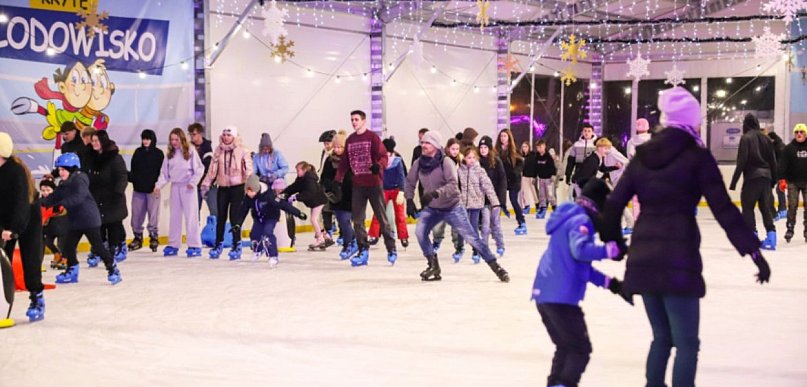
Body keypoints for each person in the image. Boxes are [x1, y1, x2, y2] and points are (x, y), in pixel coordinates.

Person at [600, 86, 771, 387]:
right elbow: (723, 209)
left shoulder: (642, 156)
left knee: (662, 339)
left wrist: (617, 247)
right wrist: (753, 251)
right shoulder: (697, 156)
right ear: (691, 121)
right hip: (678, 259)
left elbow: (613, 205)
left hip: (643, 260)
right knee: (687, 343)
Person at [532, 178, 630, 387]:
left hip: (546, 294)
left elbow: (580, 267)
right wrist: (609, 251)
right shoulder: (581, 221)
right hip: (560, 297)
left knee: (565, 347)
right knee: (579, 350)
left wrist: (611, 284)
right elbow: (580, 251)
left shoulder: (569, 217)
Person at [404, 130, 509, 282]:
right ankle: (433, 265)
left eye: (427, 143)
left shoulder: (445, 162)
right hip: (433, 208)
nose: (423, 145)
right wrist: (409, 200)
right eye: (422, 143)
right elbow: (409, 181)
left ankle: (496, 266)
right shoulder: (419, 163)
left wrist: (435, 193)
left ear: (435, 145)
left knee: (472, 237)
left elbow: (453, 185)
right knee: (420, 232)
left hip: (452, 207)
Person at [45, 153, 122, 285]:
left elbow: (78, 197)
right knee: (68, 247)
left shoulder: (80, 179)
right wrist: (37, 203)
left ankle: (112, 268)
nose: (61, 172)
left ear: (72, 168)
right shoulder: (64, 183)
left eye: (63, 169)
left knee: (98, 246)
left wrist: (62, 205)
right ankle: (72, 270)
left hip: (89, 219)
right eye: (59, 170)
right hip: (75, 221)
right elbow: (53, 197)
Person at [334, 110, 397, 266]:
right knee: (358, 220)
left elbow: (383, 156)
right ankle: (363, 250)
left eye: (356, 119)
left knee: (382, 218)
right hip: (358, 185)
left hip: (374, 184)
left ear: (363, 121)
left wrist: (378, 166)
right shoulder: (350, 140)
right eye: (352, 120)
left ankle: (391, 248)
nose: (354, 122)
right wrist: (337, 180)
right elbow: (344, 163)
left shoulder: (372, 138)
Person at [0, 132, 46, 321]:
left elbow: (21, 204)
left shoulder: (15, 171)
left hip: (27, 220)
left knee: (30, 260)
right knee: (3, 263)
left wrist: (14, 230)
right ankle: (3, 301)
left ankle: (37, 298)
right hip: (6, 222)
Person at [201, 126, 253, 260]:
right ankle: (218, 244)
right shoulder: (218, 151)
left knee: (235, 218)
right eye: (224, 134)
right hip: (222, 188)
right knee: (220, 217)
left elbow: (248, 170)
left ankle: (237, 244)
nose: (226, 137)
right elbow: (212, 170)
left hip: (238, 188)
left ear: (234, 137)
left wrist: (251, 186)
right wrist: (206, 183)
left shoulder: (243, 151)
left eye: (229, 135)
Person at [729, 113, 778, 250]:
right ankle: (772, 237)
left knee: (748, 208)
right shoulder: (766, 138)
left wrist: (734, 182)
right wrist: (773, 180)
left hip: (752, 178)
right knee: (765, 208)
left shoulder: (746, 138)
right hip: (766, 178)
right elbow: (773, 162)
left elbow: (742, 162)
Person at [154, 128, 205, 257]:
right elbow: (164, 173)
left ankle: (194, 244)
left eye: (176, 139)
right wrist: (158, 186)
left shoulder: (190, 151)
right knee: (175, 216)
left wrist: (193, 182)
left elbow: (199, 168)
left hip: (188, 187)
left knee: (191, 216)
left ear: (182, 139)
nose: (174, 142)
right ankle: (173, 243)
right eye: (172, 139)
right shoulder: (169, 155)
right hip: (175, 186)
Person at [238, 174, 306, 266]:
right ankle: (258, 250)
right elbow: (243, 210)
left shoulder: (268, 195)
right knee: (254, 234)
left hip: (271, 217)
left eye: (252, 192)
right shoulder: (247, 197)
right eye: (247, 191)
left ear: (257, 189)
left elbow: (283, 204)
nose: (250, 194)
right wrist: (238, 224)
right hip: (258, 218)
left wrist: (298, 213)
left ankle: (273, 256)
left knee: (267, 233)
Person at [86, 130, 129, 263]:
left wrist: (118, 192)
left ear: (103, 141)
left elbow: (122, 176)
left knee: (114, 224)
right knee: (99, 226)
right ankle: (100, 249)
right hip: (97, 198)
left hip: (112, 197)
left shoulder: (114, 158)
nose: (94, 144)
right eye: (92, 141)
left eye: (96, 141)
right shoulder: (91, 157)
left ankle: (118, 247)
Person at [457, 145, 499, 264]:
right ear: (464, 158)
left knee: (474, 228)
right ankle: (459, 248)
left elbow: (488, 187)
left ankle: (475, 251)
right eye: (469, 157)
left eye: (473, 157)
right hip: (463, 204)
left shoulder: (480, 171)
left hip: (475, 203)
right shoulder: (460, 170)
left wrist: (495, 202)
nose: (471, 160)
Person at [321, 130, 358, 259]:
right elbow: (324, 177)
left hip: (350, 195)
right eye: (335, 146)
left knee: (346, 220)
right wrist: (330, 186)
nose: (337, 149)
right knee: (343, 221)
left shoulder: (351, 160)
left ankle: (348, 244)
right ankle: (352, 241)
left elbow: (356, 176)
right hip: (335, 196)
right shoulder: (329, 161)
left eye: (340, 147)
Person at [368, 138, 409, 248]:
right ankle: (374, 235)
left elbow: (401, 176)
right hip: (383, 190)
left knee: (400, 215)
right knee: (378, 213)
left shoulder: (397, 161)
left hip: (396, 190)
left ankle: (403, 236)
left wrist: (401, 191)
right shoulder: (379, 161)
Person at [283, 161, 333, 251]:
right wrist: (285, 192)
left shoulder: (309, 179)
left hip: (318, 201)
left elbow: (309, 193)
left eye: (298, 170)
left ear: (304, 170)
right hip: (315, 201)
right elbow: (295, 186)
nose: (297, 173)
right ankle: (326, 237)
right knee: (316, 220)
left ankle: (320, 239)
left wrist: (296, 197)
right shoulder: (302, 179)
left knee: (313, 219)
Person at [128, 129, 164, 253]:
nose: (145, 141)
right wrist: (133, 180)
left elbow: (162, 172)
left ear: (152, 139)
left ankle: (153, 235)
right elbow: (133, 169)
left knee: (153, 214)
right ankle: (137, 236)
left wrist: (158, 185)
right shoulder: (138, 152)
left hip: (153, 190)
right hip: (138, 189)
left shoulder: (158, 154)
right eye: (144, 139)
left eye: (148, 139)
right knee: (136, 214)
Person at [432, 138, 463, 260]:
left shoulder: (461, 162)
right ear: (448, 148)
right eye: (453, 149)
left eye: (457, 149)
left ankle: (459, 247)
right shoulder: (443, 161)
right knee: (438, 224)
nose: (455, 151)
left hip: (456, 199)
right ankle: (436, 242)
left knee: (456, 225)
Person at [478, 136, 507, 257]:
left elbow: (502, 180)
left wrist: (501, 200)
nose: (483, 149)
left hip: (495, 200)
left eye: (485, 147)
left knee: (495, 224)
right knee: (485, 226)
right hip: (483, 200)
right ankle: (484, 247)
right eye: (481, 147)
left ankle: (500, 245)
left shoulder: (496, 161)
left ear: (489, 148)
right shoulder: (477, 163)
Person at [779, 123, 807, 243]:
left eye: (801, 132)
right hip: (792, 182)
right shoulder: (789, 148)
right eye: (797, 132)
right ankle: (790, 228)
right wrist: (782, 180)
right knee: (792, 206)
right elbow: (782, 165)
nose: (799, 134)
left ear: (805, 133)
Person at [496, 129, 527, 235]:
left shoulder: (514, 150)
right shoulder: (497, 151)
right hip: (503, 180)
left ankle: (522, 222)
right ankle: (494, 223)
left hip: (514, 180)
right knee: (497, 201)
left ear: (509, 137)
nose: (502, 138)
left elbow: (521, 163)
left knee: (513, 200)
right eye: (501, 136)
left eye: (504, 136)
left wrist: (515, 172)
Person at [188, 122, 216, 216]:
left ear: (200, 134)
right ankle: (194, 230)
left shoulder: (208, 147)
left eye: (194, 134)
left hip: (209, 184)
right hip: (194, 184)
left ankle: (215, 230)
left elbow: (207, 165)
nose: (192, 136)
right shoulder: (188, 148)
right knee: (194, 212)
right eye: (190, 134)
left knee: (214, 211)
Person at [40, 178, 68, 269]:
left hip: (61, 226)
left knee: (62, 244)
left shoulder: (59, 200)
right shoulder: (40, 202)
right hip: (48, 228)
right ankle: (57, 254)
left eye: (48, 190)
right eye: (43, 190)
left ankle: (64, 258)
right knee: (48, 242)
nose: (45, 192)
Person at [626, 118, 651, 220]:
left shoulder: (632, 141)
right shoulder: (654, 139)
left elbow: (630, 156)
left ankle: (637, 219)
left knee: (636, 198)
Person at [565, 124, 598, 198]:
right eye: (585, 131)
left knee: (590, 195)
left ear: (592, 132)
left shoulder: (596, 145)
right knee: (577, 195)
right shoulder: (576, 145)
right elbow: (570, 161)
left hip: (591, 174)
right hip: (578, 173)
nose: (586, 133)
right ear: (582, 132)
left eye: (589, 131)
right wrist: (568, 175)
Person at [764, 127, 788, 220]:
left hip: (778, 172)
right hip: (782, 172)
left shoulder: (776, 146)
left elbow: (778, 161)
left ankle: (780, 210)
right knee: (779, 190)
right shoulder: (781, 145)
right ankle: (782, 209)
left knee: (773, 190)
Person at [317, 130, 337, 237]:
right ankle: (328, 228)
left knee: (337, 209)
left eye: (328, 143)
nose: (326, 145)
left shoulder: (336, 154)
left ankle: (341, 232)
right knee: (325, 208)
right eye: (324, 143)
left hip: (333, 185)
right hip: (324, 183)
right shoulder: (324, 152)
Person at [534, 139, 557, 219]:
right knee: (542, 195)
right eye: (538, 147)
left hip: (549, 179)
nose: (539, 149)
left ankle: (555, 209)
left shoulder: (548, 157)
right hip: (541, 179)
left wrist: (553, 175)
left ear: (544, 146)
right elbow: (535, 168)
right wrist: (534, 176)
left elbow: (552, 167)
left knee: (550, 195)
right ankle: (543, 209)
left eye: (541, 147)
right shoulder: (537, 157)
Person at [520, 141, 539, 215]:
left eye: (526, 146)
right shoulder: (522, 156)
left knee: (534, 192)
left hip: (532, 176)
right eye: (523, 147)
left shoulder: (533, 155)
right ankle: (527, 206)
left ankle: (537, 205)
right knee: (524, 192)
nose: (524, 148)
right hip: (524, 176)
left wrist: (534, 176)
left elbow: (535, 166)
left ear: (529, 147)